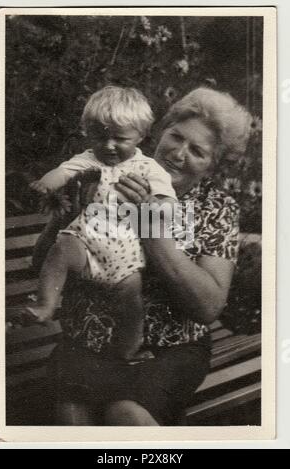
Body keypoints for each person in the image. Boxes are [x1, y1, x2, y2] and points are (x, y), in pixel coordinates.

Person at [34, 87, 252, 426]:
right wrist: (66, 217)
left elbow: (207, 307)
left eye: (197, 150)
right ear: (160, 132)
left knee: (126, 416)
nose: (179, 154)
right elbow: (43, 265)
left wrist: (150, 227)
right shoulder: (102, 170)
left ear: (213, 165)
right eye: (176, 136)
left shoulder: (216, 208)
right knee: (75, 425)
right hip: (87, 343)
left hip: (169, 349)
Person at [28, 86, 177, 361]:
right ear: (88, 132)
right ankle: (46, 304)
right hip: (84, 242)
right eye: (99, 136)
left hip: (125, 255)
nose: (108, 146)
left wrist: (156, 207)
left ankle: (127, 348)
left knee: (131, 303)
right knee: (60, 251)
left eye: (120, 138)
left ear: (141, 135)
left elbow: (169, 203)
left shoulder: (147, 169)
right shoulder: (87, 160)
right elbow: (62, 173)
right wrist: (45, 185)